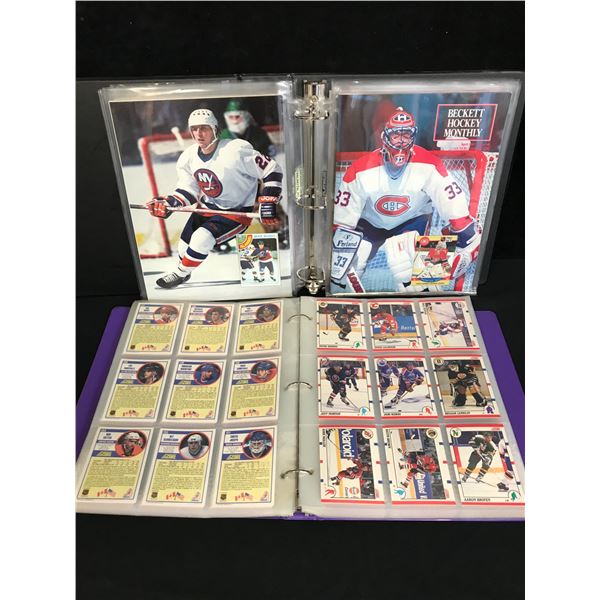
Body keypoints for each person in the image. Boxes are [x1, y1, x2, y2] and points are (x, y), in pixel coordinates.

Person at [331, 107, 481, 291]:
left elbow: (456, 211)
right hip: (370, 223)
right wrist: (341, 252)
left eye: (406, 135)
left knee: (402, 256)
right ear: (385, 137)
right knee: (353, 258)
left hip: (411, 220)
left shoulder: (429, 165)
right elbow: (341, 224)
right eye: (396, 135)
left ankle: (425, 300)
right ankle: (348, 303)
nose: (401, 141)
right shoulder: (361, 169)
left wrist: (466, 244)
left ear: (413, 136)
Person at [146, 109, 283, 288]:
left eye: (204, 128)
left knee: (201, 238)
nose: (198, 134)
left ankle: (179, 274)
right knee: (183, 248)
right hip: (207, 208)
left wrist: (269, 199)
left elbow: (272, 168)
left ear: (215, 129)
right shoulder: (188, 157)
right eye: (194, 129)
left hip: (235, 213)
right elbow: (189, 189)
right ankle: (184, 270)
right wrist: (170, 203)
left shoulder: (235, 150)